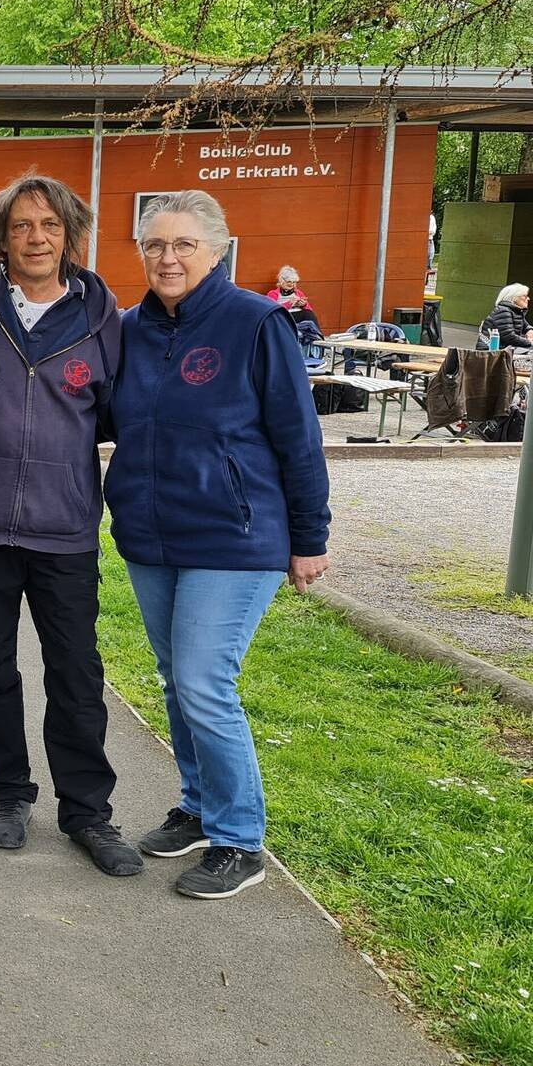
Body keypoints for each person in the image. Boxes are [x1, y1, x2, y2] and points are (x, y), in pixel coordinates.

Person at [107, 189, 331, 900]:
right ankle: (199, 806)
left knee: (206, 682)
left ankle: (240, 838)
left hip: (235, 536)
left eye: (182, 245)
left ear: (216, 250)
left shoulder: (255, 322)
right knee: (178, 680)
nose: (167, 258)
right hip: (150, 534)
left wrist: (310, 536)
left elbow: (298, 437)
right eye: (154, 245)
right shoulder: (129, 328)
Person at [0, 171, 141, 877]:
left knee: (76, 672)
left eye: (49, 225)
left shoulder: (102, 315)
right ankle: (9, 794)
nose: (36, 237)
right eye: (21, 225)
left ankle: (87, 811)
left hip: (65, 527)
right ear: (2, 235)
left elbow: (116, 415)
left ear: (71, 234)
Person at [480, 283, 530, 350]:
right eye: (525, 296)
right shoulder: (503, 311)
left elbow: (525, 326)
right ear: (513, 297)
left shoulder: (515, 311)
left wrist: (529, 330)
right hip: (492, 353)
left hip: (504, 351)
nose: (528, 298)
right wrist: (529, 342)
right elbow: (509, 337)